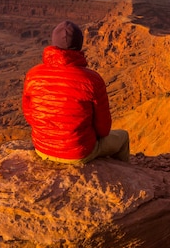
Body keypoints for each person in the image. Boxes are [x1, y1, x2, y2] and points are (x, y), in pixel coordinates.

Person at [22, 20, 129, 164]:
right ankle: (123, 176)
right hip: (78, 153)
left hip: (42, 148)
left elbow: (30, 115)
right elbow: (103, 129)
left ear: (53, 44)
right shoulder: (92, 79)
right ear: (80, 45)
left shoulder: (33, 74)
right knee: (123, 137)